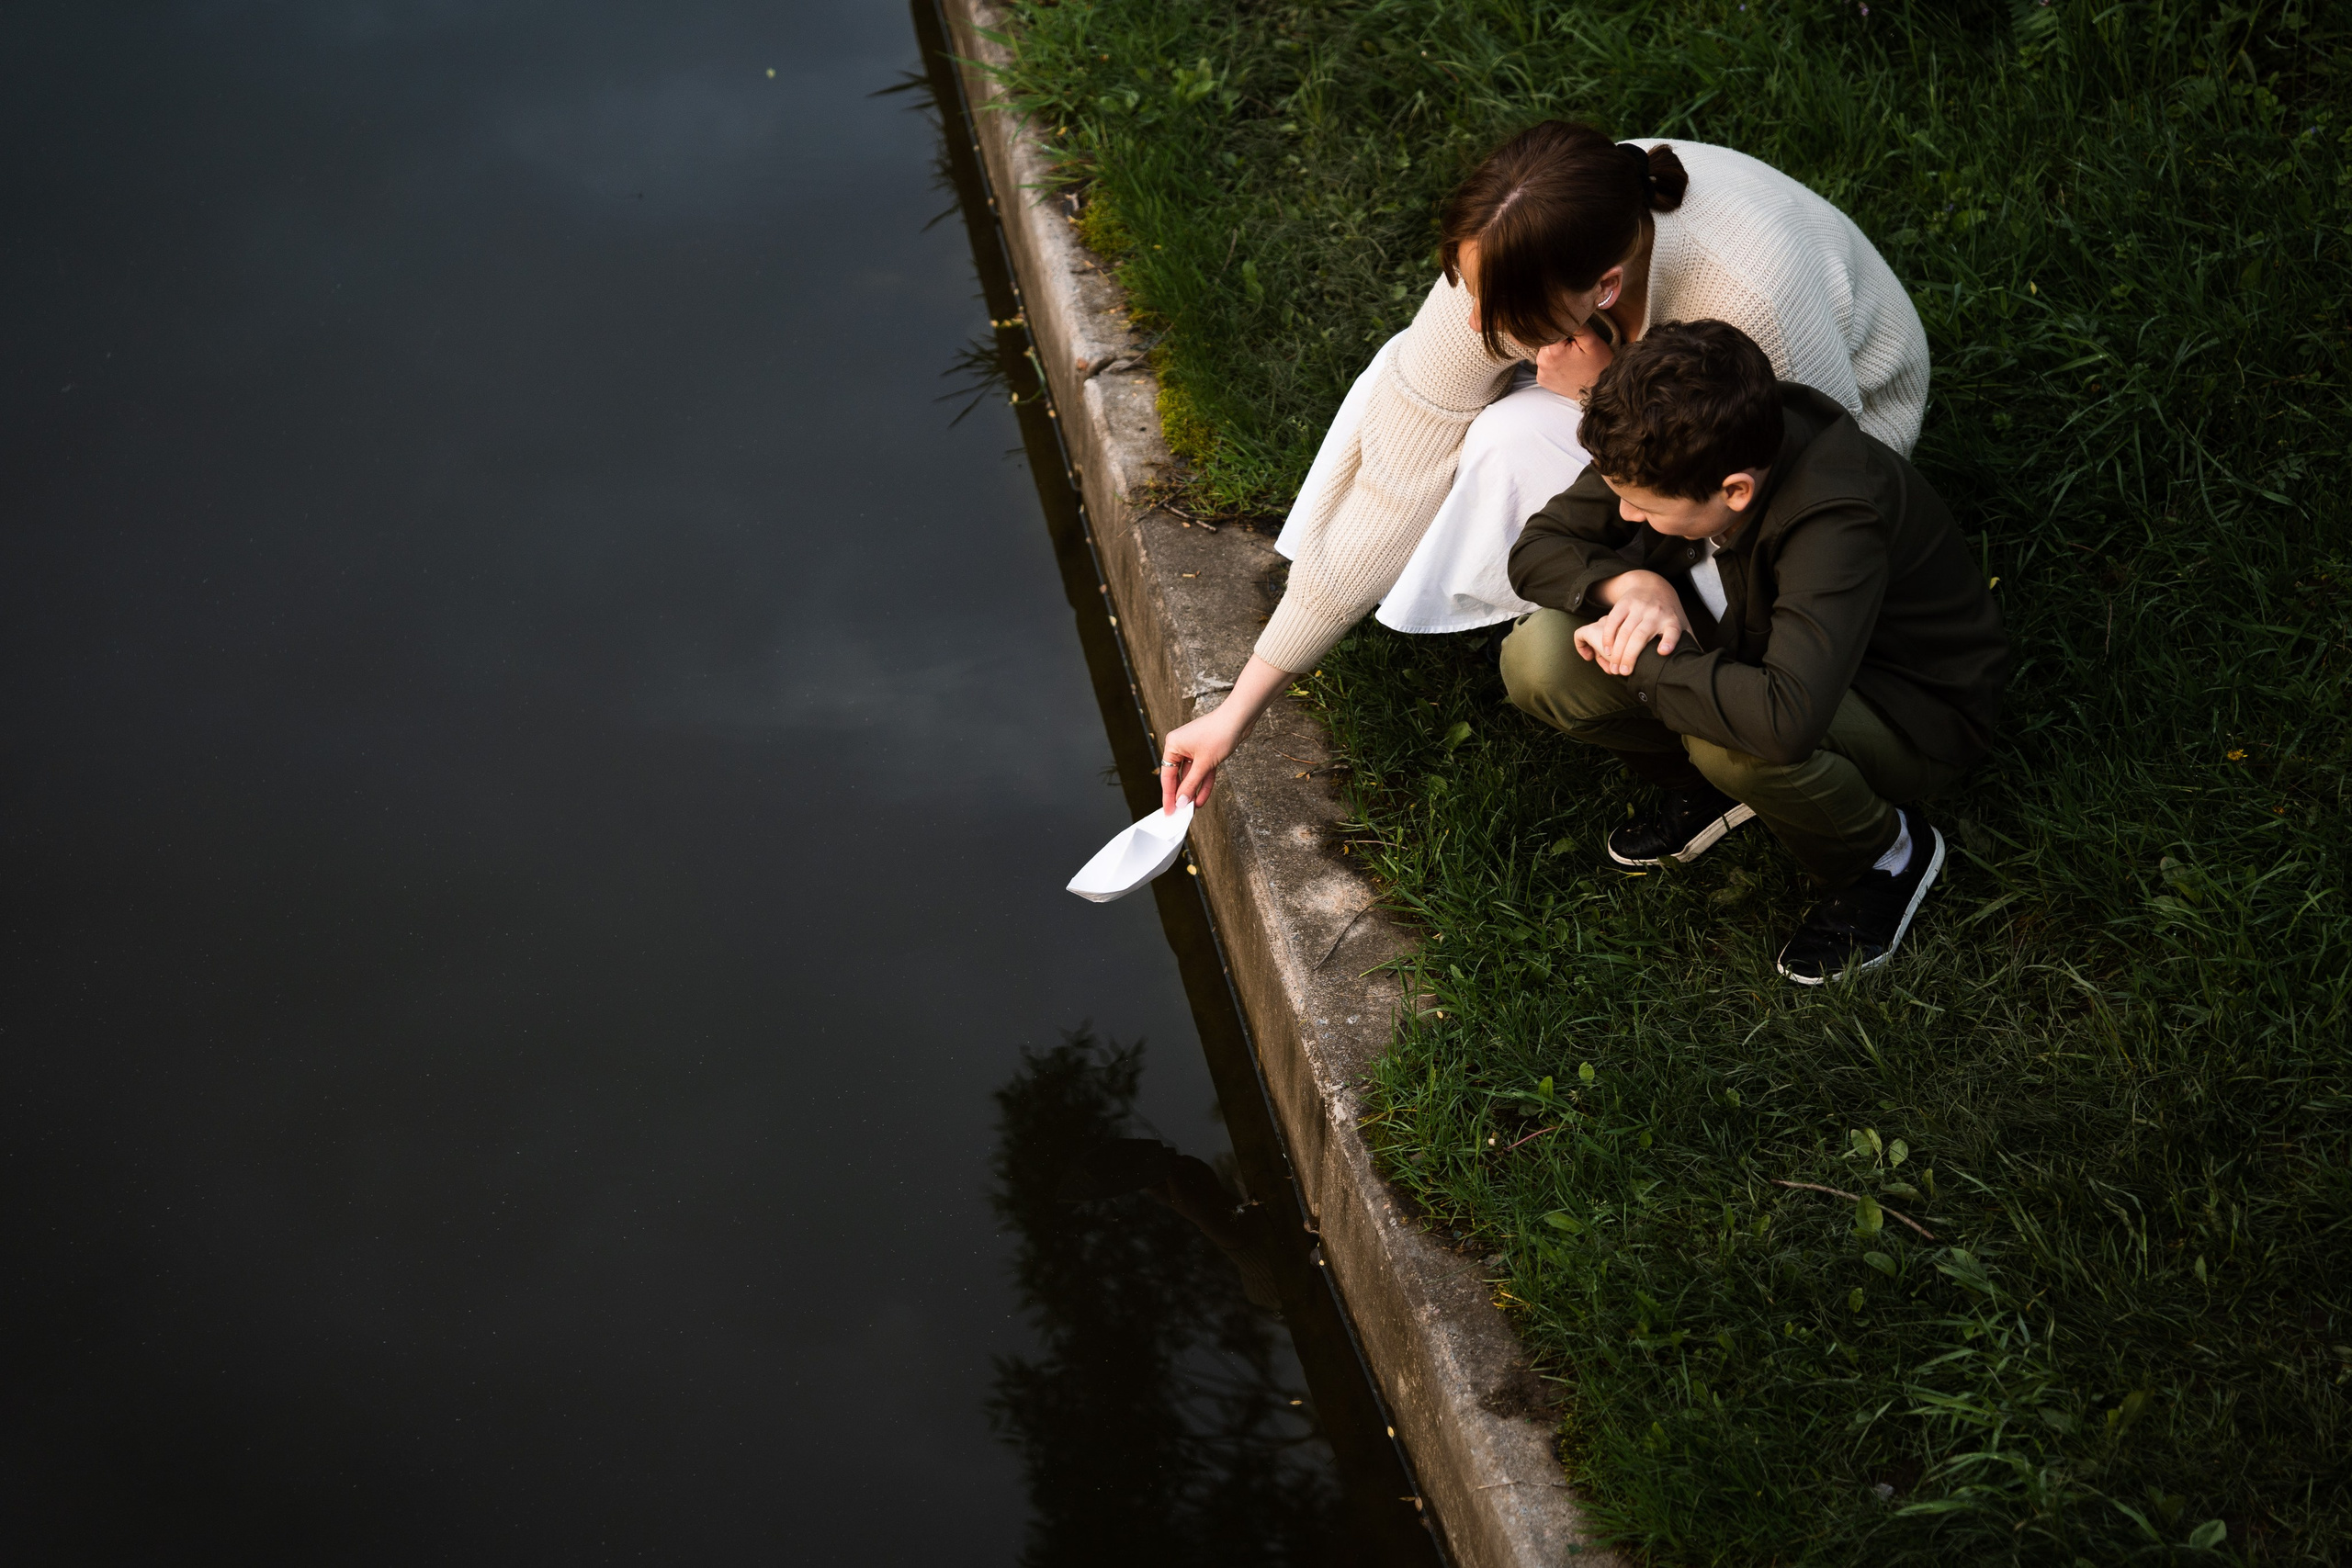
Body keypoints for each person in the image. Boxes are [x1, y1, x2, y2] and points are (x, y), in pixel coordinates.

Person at [1157, 121, 1928, 814]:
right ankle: (1626, 608)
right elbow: (1400, 474)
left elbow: (1789, 497)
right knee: (1411, 379)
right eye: (1468, 288)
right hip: (1663, 402)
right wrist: (1239, 708)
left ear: (1605, 290)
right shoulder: (1522, 249)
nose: (1474, 324)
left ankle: (1701, 710)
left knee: (1513, 442)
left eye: (1503, 315)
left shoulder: (1750, 306)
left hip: (1810, 436)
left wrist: (1598, 393)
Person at [1500, 320, 2007, 983]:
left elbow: (1784, 718)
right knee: (1539, 657)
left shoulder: (1835, 517)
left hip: (1905, 707)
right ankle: (1709, 793)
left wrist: (1642, 660)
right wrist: (1631, 581)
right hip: (1753, 651)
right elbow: (1537, 548)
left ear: (1735, 491)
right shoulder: (1667, 440)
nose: (1622, 517)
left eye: (1641, 508)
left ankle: (1885, 856)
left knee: (1736, 741)